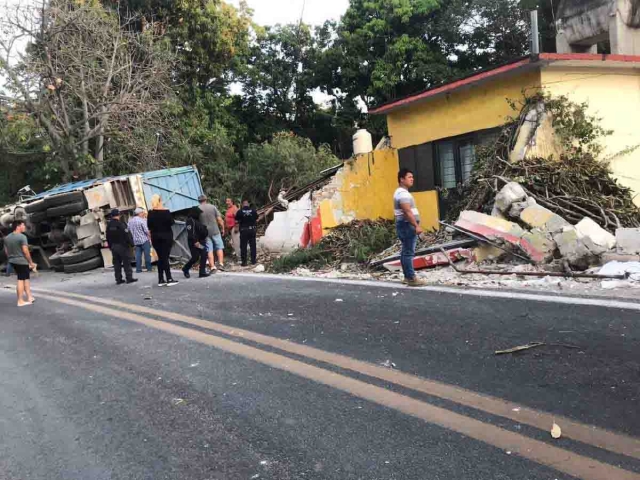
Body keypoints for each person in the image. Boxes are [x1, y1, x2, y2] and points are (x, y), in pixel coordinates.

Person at [394, 169, 427, 287]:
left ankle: (407, 277)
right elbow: (407, 211)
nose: (412, 179)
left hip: (405, 224)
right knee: (408, 252)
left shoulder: (401, 192)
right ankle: (411, 278)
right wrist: (416, 226)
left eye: (412, 177)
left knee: (406, 251)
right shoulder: (402, 193)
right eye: (409, 177)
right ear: (401, 179)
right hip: (407, 225)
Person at [147, 194, 178, 287]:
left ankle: (161, 279)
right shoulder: (166, 211)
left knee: (161, 258)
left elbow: (149, 226)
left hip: (155, 237)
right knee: (165, 257)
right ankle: (169, 278)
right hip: (166, 236)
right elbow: (172, 223)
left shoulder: (150, 213)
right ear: (160, 200)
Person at [4, 220, 36, 306]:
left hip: (12, 261)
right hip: (21, 261)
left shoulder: (7, 238)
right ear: (18, 226)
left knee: (26, 279)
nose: (24, 227)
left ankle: (29, 297)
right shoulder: (22, 237)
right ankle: (20, 301)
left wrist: (11, 258)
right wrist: (31, 262)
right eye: (23, 225)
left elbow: (6, 251)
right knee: (21, 280)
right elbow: (26, 251)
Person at [106, 209, 137, 285]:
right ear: (118, 215)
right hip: (122, 246)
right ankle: (129, 278)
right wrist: (132, 244)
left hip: (114, 247)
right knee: (126, 262)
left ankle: (118, 279)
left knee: (117, 264)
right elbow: (126, 234)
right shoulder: (121, 224)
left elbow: (108, 237)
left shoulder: (109, 225)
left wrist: (110, 246)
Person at [198, 194, 226, 272]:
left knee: (209, 249)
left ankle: (212, 266)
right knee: (219, 247)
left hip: (205, 233)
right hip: (215, 230)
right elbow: (219, 219)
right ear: (206, 199)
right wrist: (223, 228)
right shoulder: (212, 207)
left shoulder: (197, 209)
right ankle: (221, 264)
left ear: (199, 201)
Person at [182, 207, 210, 279]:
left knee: (200, 255)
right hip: (194, 242)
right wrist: (195, 241)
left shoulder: (196, 220)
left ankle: (200, 272)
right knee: (199, 255)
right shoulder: (190, 221)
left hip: (200, 241)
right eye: (198, 213)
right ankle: (188, 269)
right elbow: (191, 232)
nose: (199, 215)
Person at [128, 207, 153, 273]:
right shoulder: (142, 220)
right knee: (147, 255)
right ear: (139, 213)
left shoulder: (130, 221)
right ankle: (149, 268)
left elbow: (128, 230)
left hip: (136, 241)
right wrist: (150, 237)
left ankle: (138, 269)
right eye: (142, 212)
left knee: (138, 256)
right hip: (144, 240)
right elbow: (146, 231)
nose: (143, 214)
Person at [235, 199, 258, 266]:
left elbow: (236, 220)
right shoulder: (253, 211)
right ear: (248, 204)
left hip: (243, 230)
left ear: (242, 205)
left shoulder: (240, 211)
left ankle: (244, 262)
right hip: (252, 230)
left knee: (243, 246)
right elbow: (256, 218)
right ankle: (253, 261)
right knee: (253, 246)